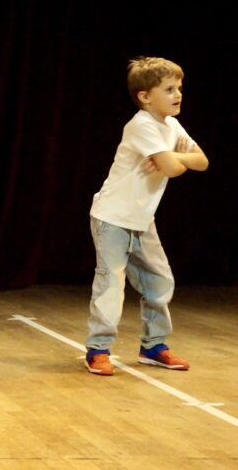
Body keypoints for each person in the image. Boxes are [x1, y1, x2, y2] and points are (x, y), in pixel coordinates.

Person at [84, 56, 209, 376]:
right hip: (112, 217)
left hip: (142, 219)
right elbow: (172, 169)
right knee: (111, 283)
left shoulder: (172, 125)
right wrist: (176, 161)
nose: (178, 94)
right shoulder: (140, 125)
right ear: (145, 96)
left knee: (159, 281)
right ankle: (98, 349)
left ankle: (153, 346)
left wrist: (175, 157)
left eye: (179, 88)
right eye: (168, 89)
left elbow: (202, 161)